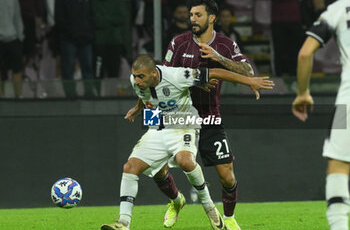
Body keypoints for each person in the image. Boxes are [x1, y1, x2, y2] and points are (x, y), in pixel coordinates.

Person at [101, 54, 274, 230]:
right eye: (135, 76)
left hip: (184, 124)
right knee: (130, 167)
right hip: (157, 126)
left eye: (141, 76)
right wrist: (138, 107)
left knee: (185, 161)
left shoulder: (177, 75)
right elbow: (144, 92)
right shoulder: (136, 80)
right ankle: (123, 223)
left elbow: (215, 72)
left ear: (154, 73)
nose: (136, 80)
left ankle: (209, 207)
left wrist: (249, 81)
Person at [126, 0, 254, 229]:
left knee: (227, 176)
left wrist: (219, 58)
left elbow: (248, 71)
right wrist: (139, 104)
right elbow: (156, 76)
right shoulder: (179, 42)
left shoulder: (225, 44)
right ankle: (175, 202)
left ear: (212, 17)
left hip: (208, 115)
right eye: (191, 15)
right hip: (172, 114)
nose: (192, 19)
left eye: (198, 15)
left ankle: (229, 218)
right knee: (155, 167)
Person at [292, 0, 350, 230]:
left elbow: (305, 54)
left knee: (339, 164)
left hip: (349, 101)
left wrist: (303, 93)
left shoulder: (340, 8)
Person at [54, 0, 95, 98]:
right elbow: (59, 17)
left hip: (85, 39)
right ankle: (70, 94)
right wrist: (71, 33)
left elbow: (92, 14)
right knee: (68, 68)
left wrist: (89, 33)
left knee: (88, 68)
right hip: (68, 39)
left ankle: (89, 92)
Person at [0, 0, 25, 98]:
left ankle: (18, 95)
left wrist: (20, 37)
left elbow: (17, 17)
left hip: (13, 38)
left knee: (17, 69)